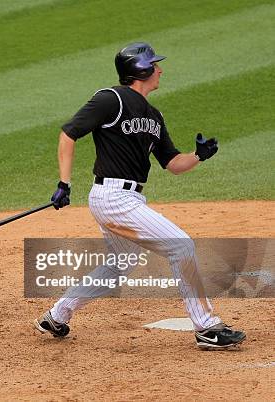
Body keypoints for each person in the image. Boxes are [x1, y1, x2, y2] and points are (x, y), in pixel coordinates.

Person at [33, 43, 246, 349]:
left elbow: (172, 164)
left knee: (122, 263)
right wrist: (64, 183)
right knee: (181, 245)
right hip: (113, 198)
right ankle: (207, 327)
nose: (160, 69)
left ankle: (57, 315)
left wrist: (199, 156)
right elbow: (69, 133)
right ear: (141, 71)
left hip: (125, 200)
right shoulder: (111, 99)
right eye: (155, 65)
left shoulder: (154, 116)